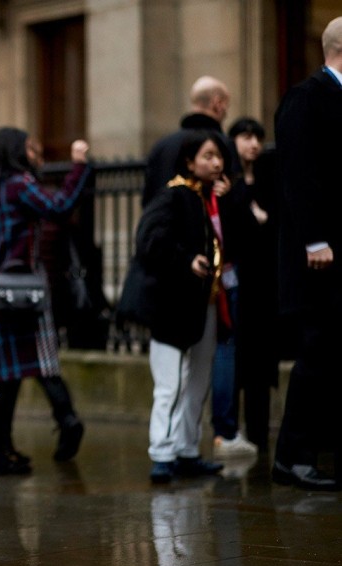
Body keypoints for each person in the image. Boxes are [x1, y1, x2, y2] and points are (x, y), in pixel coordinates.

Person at [0, 127, 91, 475]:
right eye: (29, 149)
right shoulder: (18, 185)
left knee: (4, 374)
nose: (35, 156)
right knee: (41, 361)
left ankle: (0, 448)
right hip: (25, 290)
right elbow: (60, 207)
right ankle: (65, 421)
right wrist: (78, 166)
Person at [127, 130, 230, 484]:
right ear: (189, 162)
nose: (216, 162)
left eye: (218, 156)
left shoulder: (209, 200)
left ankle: (186, 450)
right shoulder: (174, 195)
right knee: (170, 383)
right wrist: (186, 259)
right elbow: (149, 240)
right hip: (171, 307)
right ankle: (162, 453)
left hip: (203, 305)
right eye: (207, 156)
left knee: (198, 381)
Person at [271, 17, 342, 491]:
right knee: (317, 352)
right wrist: (315, 239)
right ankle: (292, 457)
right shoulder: (306, 96)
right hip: (321, 257)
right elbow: (298, 176)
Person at [212, 117, 276, 456]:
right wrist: (252, 211)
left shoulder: (268, 178)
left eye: (258, 137)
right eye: (246, 136)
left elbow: (274, 224)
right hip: (238, 283)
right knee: (234, 356)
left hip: (263, 283)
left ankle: (260, 436)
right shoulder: (228, 184)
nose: (254, 144)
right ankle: (230, 432)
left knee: (260, 364)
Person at [142, 76, 232, 207]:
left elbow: (148, 198)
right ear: (217, 103)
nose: (216, 163)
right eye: (226, 106)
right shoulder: (224, 144)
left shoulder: (161, 146)